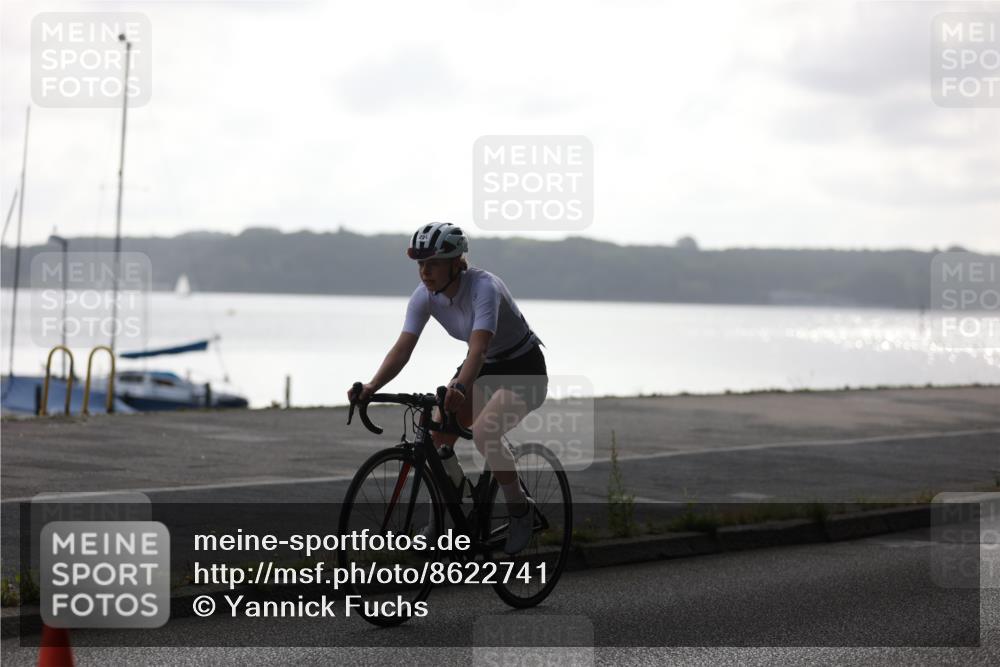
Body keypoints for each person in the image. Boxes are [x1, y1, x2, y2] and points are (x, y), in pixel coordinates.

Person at [347, 222, 547, 554]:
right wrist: (372, 385)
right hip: (483, 367)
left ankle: (520, 509)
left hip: (523, 368)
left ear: (456, 263)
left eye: (433, 264)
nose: (424, 272)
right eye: (420, 264)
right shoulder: (424, 296)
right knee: (438, 434)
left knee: (485, 432)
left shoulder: (484, 288)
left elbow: (479, 350)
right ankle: (442, 517)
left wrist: (460, 387)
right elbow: (403, 349)